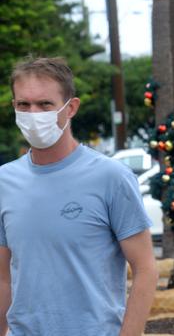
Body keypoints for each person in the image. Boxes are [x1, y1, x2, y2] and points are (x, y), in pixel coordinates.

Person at [0, 57, 159, 336]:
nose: (33, 113)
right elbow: (3, 278)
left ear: (70, 107)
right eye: (23, 104)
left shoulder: (112, 177)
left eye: (44, 104)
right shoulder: (4, 181)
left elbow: (145, 268)